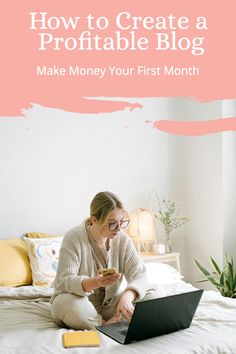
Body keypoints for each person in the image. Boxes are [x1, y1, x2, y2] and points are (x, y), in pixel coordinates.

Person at [51, 191, 157, 330]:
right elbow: (63, 281)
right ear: (94, 220)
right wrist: (94, 282)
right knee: (65, 304)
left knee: (154, 292)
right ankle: (104, 325)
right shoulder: (73, 238)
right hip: (80, 303)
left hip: (109, 305)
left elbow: (140, 275)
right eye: (112, 224)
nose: (118, 229)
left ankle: (112, 321)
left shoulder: (122, 239)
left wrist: (127, 297)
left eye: (122, 222)